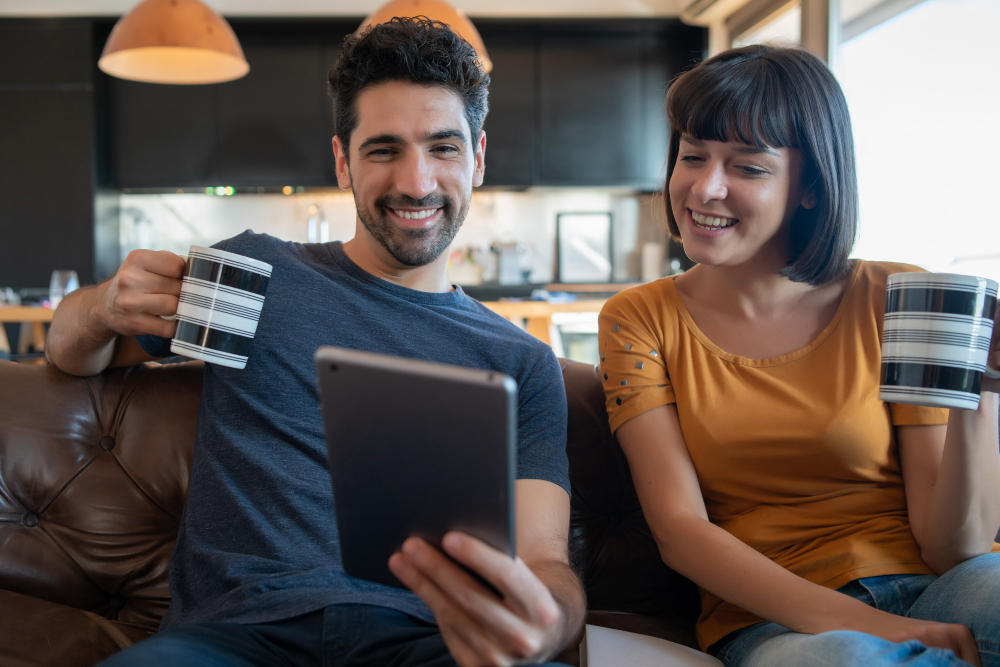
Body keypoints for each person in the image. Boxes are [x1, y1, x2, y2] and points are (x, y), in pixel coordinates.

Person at [46, 17, 585, 667]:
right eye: (384, 149)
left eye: (443, 147)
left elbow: (546, 560)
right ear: (342, 160)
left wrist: (545, 624)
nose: (416, 182)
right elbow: (69, 348)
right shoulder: (253, 273)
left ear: (478, 158)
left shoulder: (521, 362)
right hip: (235, 637)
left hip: (428, 642)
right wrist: (104, 305)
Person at [598, 44, 1000, 667]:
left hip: (936, 586)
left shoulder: (900, 296)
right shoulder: (639, 318)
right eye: (692, 157)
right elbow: (682, 535)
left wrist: (984, 385)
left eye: (747, 168)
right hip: (773, 620)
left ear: (810, 185)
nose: (705, 188)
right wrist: (880, 631)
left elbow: (956, 547)